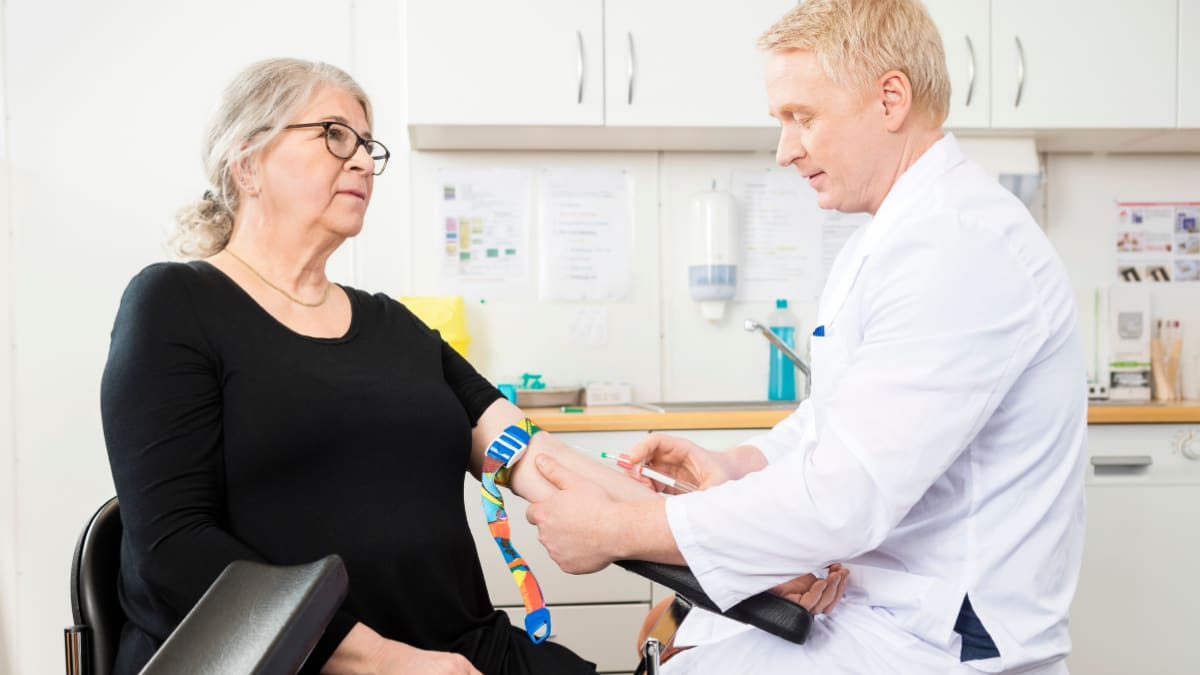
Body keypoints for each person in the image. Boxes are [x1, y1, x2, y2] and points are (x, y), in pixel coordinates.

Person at [526, 1, 1087, 673]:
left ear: (890, 98)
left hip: (938, 633)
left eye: (803, 117)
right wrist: (740, 464)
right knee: (681, 644)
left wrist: (614, 531)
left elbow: (844, 498)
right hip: (876, 599)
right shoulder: (893, 237)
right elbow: (838, 420)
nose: (785, 149)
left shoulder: (959, 247)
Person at [100, 57, 658, 675]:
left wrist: (686, 528)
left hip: (460, 649)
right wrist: (386, 661)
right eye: (335, 134)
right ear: (248, 160)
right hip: (295, 661)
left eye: (368, 145)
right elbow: (170, 548)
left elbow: (531, 456)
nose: (363, 161)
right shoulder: (177, 304)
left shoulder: (395, 326)